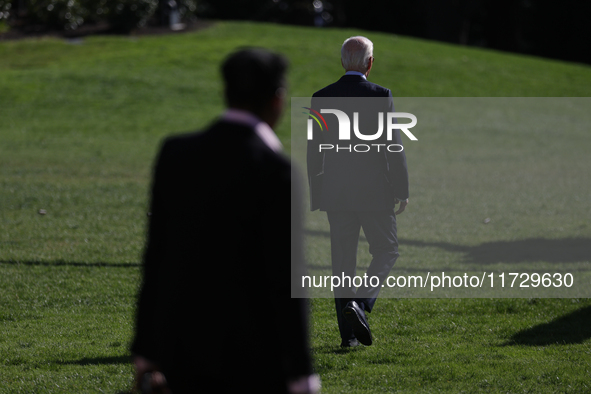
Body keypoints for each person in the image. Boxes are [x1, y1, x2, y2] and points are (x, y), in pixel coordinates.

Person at [131, 48, 319, 393]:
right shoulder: (277, 171)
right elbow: (286, 278)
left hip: (183, 352)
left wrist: (145, 350)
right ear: (277, 101)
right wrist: (301, 371)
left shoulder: (175, 154)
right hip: (256, 360)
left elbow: (156, 257)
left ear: (226, 92)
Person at [307, 36, 410, 348]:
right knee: (387, 249)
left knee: (342, 264)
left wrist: (318, 194)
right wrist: (402, 190)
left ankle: (349, 338)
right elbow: (393, 146)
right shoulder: (381, 95)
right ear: (370, 62)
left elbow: (314, 151)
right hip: (375, 192)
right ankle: (362, 303)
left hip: (336, 194)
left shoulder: (321, 97)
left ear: (342, 62)